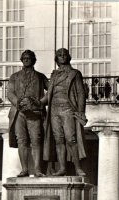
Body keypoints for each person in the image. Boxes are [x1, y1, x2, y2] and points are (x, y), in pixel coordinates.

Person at [41, 48, 87, 176]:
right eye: (59, 55)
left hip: (68, 109)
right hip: (54, 110)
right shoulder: (54, 75)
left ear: (69, 57)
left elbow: (81, 93)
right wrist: (38, 103)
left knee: (71, 139)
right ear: (56, 58)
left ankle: (77, 168)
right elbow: (48, 95)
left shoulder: (75, 73)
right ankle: (62, 168)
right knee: (58, 140)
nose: (62, 56)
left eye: (64, 54)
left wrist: (81, 111)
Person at [7, 50, 48, 177]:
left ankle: (37, 169)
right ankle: (24, 169)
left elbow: (51, 92)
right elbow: (10, 93)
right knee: (22, 141)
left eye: (29, 58)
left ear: (34, 60)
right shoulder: (15, 76)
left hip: (34, 113)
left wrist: (40, 103)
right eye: (24, 58)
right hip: (18, 112)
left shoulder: (40, 77)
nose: (26, 60)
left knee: (36, 140)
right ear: (21, 60)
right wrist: (18, 102)